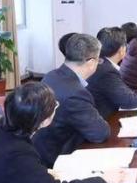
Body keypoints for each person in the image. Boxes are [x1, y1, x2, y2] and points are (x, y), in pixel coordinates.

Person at [33, 34, 110, 166]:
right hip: (57, 158)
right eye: (99, 60)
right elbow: (100, 133)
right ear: (91, 62)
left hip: (40, 150)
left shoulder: (51, 75)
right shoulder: (75, 93)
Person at [87, 27, 137, 119]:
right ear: (121, 49)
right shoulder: (106, 71)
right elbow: (128, 101)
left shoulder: (101, 63)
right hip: (107, 119)